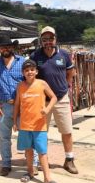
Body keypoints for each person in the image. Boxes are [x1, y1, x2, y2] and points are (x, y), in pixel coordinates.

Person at [0, 36, 39, 176]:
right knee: (4, 137)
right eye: (2, 47)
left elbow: (31, 82)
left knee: (28, 135)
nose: (5, 49)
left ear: (13, 47)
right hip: (3, 106)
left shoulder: (23, 62)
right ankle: (6, 164)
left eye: (8, 46)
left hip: (22, 106)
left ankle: (33, 164)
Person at [30, 26, 78, 174]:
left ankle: (69, 160)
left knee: (67, 131)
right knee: (41, 132)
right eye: (45, 39)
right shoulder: (35, 56)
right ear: (41, 41)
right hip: (42, 101)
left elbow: (70, 72)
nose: (48, 42)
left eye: (51, 38)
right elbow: (31, 76)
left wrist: (67, 85)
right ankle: (39, 160)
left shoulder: (64, 54)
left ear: (55, 39)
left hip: (61, 98)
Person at [13, 59, 59, 183]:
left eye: (32, 70)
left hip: (39, 125)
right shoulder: (20, 86)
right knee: (28, 151)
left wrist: (47, 109)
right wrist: (14, 121)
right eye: (27, 70)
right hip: (24, 125)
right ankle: (30, 172)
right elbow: (17, 104)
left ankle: (47, 178)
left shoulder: (42, 84)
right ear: (23, 72)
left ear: (36, 71)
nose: (29, 72)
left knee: (42, 151)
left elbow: (54, 97)